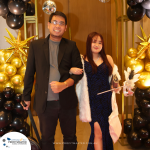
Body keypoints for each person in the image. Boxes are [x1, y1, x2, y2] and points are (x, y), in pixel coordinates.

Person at [22, 11, 83, 150]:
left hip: (67, 101)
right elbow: (29, 72)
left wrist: (65, 84)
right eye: (55, 22)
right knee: (47, 139)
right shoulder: (36, 46)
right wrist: (26, 96)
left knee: (70, 137)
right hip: (45, 103)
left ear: (65, 27)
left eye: (61, 23)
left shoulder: (71, 46)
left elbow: (79, 72)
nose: (58, 26)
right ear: (49, 25)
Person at [70, 32, 121, 150]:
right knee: (98, 131)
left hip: (106, 100)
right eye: (94, 42)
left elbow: (114, 78)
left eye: (100, 42)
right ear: (89, 43)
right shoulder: (82, 59)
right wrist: (72, 70)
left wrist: (116, 84)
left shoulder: (108, 58)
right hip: (91, 102)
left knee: (105, 131)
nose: (97, 45)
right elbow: (72, 73)